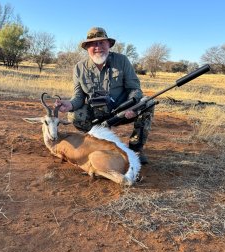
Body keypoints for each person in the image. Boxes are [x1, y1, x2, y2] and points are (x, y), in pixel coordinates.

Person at [55, 27, 154, 164]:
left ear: (109, 44)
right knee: (74, 115)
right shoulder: (79, 68)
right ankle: (96, 142)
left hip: (122, 111)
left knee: (147, 103)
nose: (98, 47)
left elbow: (135, 89)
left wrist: (133, 105)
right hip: (96, 114)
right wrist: (69, 104)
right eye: (93, 44)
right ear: (87, 47)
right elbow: (78, 97)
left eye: (102, 42)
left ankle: (136, 148)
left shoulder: (122, 60)